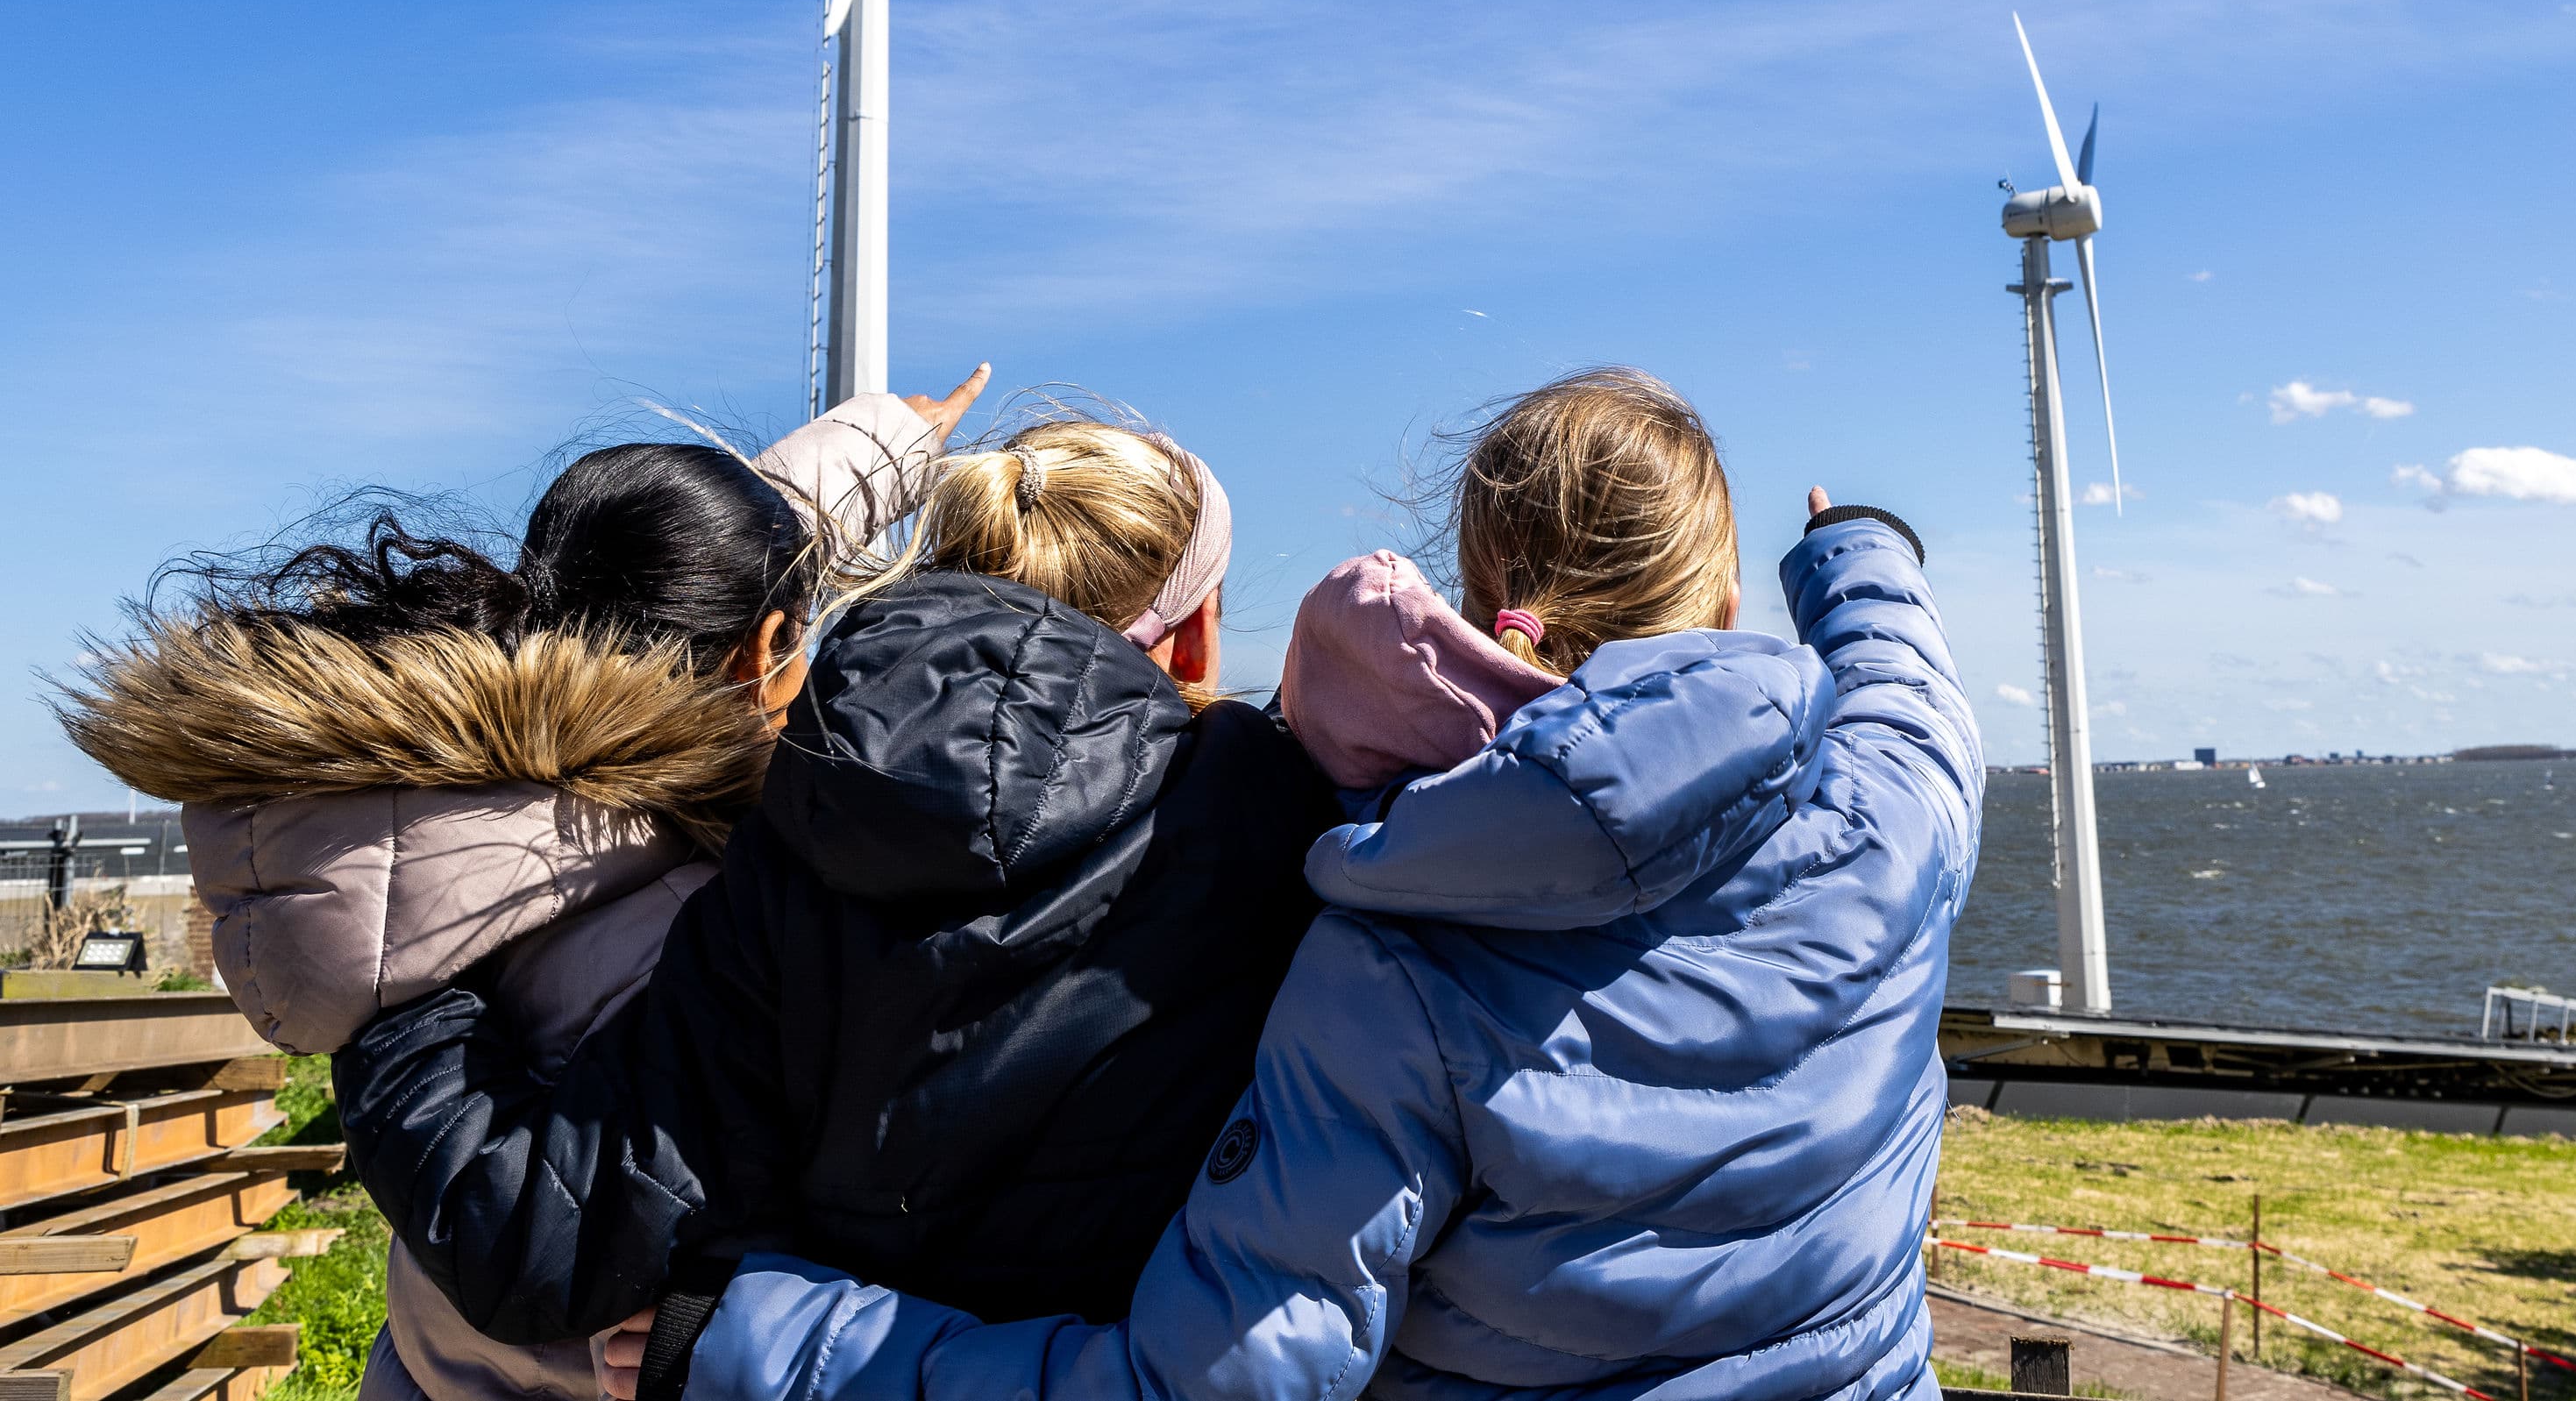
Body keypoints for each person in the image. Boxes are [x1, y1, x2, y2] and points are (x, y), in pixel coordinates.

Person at [626, 366, 1982, 1401]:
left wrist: (758, 1338)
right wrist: (1859, 550)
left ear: (1480, 589)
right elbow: (1910, 690)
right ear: (1726, 593)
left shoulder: (1394, 949)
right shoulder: (1890, 819)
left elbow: (1212, 1378)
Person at [56, 371, 988, 1401]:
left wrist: (879, 446)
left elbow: (672, 560)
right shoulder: (708, 930)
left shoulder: (428, 816)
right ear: (766, 651)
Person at [332, 409, 1346, 1355]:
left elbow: (551, 1236)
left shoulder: (797, 828)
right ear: (1200, 630)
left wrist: (397, 1002)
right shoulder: (1296, 838)